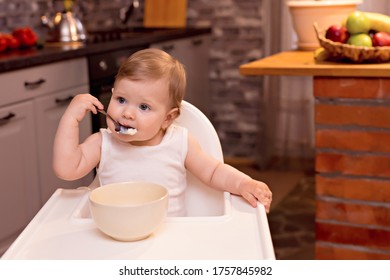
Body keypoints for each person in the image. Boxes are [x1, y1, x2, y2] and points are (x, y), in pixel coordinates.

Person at [53, 48, 272, 216]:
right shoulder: (103, 143)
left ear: (167, 118)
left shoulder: (179, 142)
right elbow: (66, 169)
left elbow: (214, 172)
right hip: (114, 236)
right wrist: (70, 118)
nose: (127, 113)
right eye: (121, 100)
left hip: (170, 240)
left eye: (144, 107)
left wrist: (244, 184)